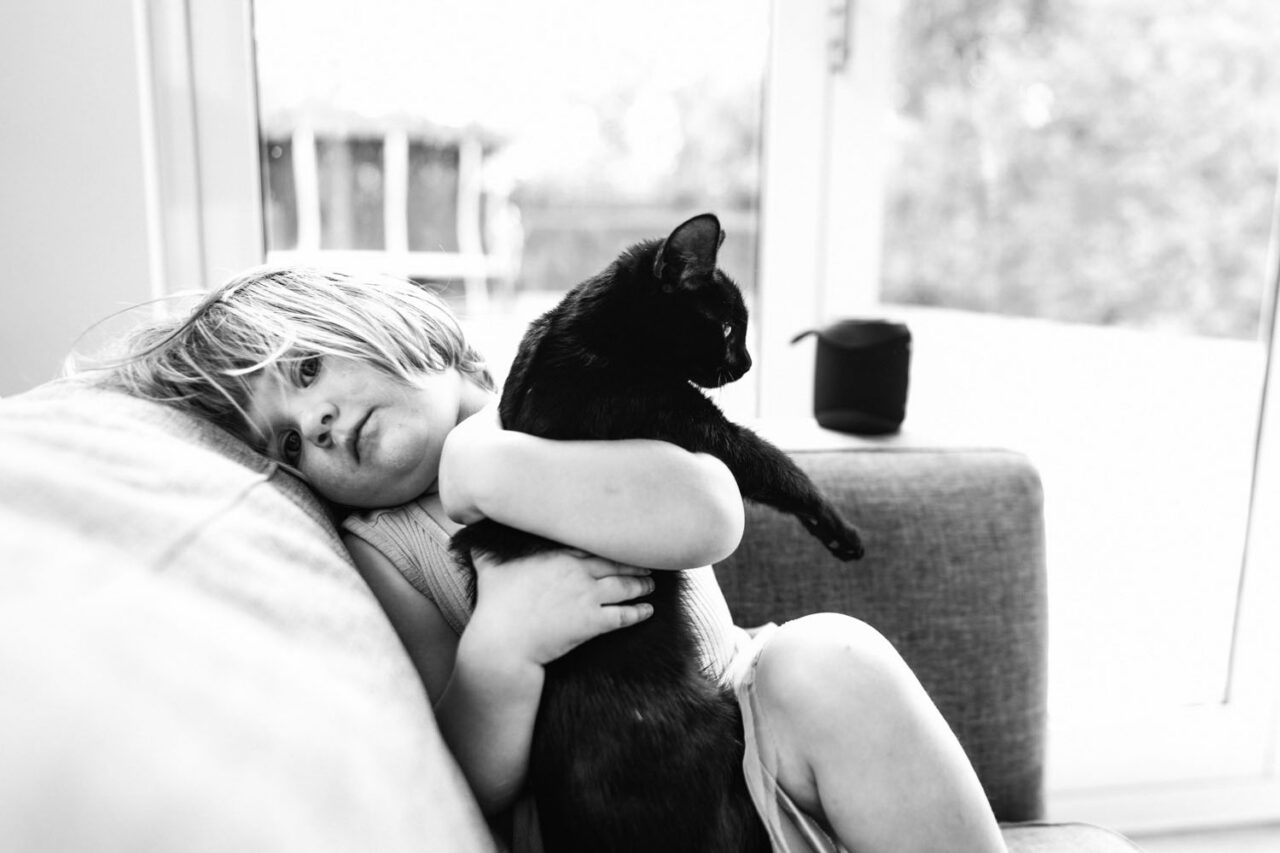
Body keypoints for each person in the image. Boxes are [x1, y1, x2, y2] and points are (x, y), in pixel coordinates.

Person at [96, 266, 1007, 853]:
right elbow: (457, 768)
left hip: (742, 739)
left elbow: (709, 515)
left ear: (397, 325)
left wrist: (485, 464)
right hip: (592, 810)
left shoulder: (562, 405)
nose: (320, 424)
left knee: (834, 658)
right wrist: (501, 647)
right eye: (289, 445)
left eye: (305, 374)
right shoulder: (377, 551)